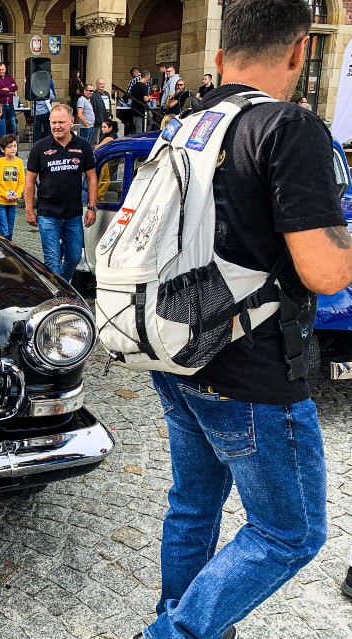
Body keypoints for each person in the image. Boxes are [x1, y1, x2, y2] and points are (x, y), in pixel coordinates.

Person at [135, 0, 352, 636]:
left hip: (178, 350)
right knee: (291, 533)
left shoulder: (188, 122)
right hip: (252, 371)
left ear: (222, 57)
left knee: (194, 504)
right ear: (300, 51)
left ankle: (179, 617)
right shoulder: (290, 127)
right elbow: (325, 273)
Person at [23, 103, 97, 282]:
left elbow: (92, 178)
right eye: (53, 122)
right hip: (47, 214)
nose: (56, 126)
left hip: (73, 213)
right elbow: (30, 181)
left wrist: (92, 207)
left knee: (73, 258)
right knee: (52, 261)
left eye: (61, 122)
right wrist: (29, 209)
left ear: (72, 121)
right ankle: (58, 297)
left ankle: (60, 285)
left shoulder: (83, 146)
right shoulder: (40, 147)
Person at [0, 134, 25, 241]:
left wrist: (17, 194)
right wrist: (5, 194)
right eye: (10, 147)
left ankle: (9, 254)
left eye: (14, 146)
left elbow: (21, 182)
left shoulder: (19, 162)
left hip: (13, 201)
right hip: (0, 201)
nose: (13, 149)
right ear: (2, 149)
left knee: (10, 232)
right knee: (4, 232)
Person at [0, 63, 19, 135]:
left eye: (2, 69)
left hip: (10, 104)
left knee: (13, 124)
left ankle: (13, 142)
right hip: (1, 105)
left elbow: (16, 87)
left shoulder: (9, 78)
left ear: (5, 69)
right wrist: (10, 91)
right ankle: (4, 142)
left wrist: (7, 89)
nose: (1, 71)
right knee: (3, 125)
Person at [91, 78, 112, 145]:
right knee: (95, 139)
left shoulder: (107, 94)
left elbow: (109, 104)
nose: (102, 85)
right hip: (98, 121)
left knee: (104, 139)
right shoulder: (94, 95)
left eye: (103, 84)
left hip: (106, 120)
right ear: (97, 85)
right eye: (100, 84)